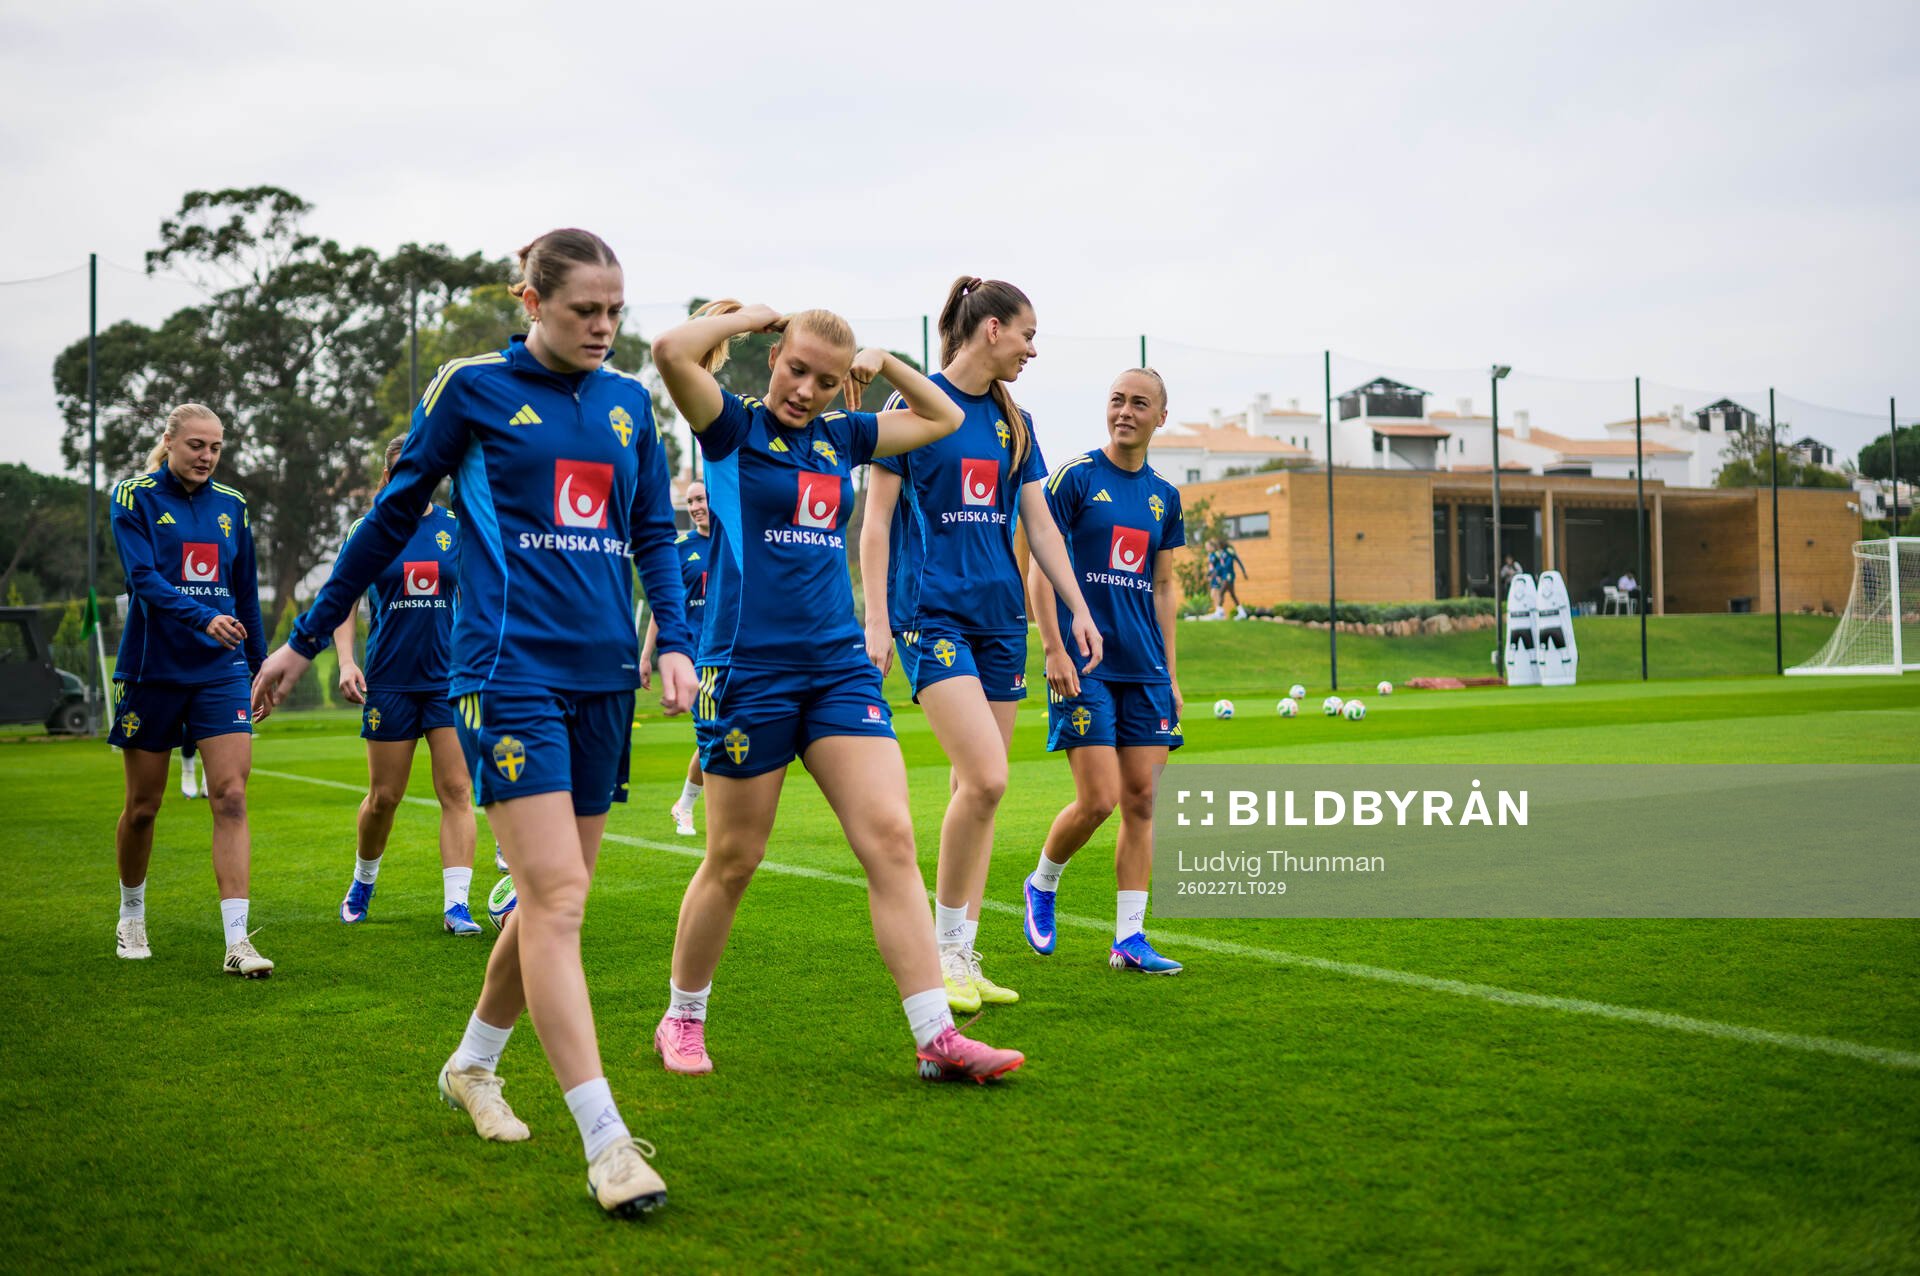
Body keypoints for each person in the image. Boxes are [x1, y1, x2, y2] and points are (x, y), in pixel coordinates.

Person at [253, 228, 695, 1218]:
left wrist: (673, 635)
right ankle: (609, 1142)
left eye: (616, 309)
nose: (604, 326)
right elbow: (386, 521)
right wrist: (304, 638)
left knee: (557, 897)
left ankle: (472, 1064)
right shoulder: (472, 389)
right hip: (501, 676)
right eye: (585, 308)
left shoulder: (629, 404)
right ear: (529, 299)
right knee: (555, 902)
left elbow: (653, 532)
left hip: (600, 682)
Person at [647, 298, 1024, 1084]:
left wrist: (881, 363)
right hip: (746, 671)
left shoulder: (841, 436)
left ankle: (935, 1036)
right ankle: (681, 1017)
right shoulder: (731, 427)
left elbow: (944, 416)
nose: (807, 391)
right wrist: (747, 318)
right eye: (795, 370)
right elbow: (672, 350)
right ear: (773, 357)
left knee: (890, 839)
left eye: (823, 380)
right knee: (735, 857)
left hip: (838, 668)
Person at [859, 275, 1100, 1014]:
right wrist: (874, 618)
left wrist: (1076, 606)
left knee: (981, 793)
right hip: (932, 617)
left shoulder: (1015, 421)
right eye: (1027, 333)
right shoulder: (911, 406)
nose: (1032, 349)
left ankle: (959, 953)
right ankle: (943, 951)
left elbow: (1042, 525)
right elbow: (875, 522)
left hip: (1001, 621)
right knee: (988, 777)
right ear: (990, 328)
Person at [1023, 369, 1187, 974]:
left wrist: (1170, 672)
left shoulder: (1164, 497)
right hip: (1082, 659)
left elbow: (1164, 586)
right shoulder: (1075, 477)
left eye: (1139, 403)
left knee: (1140, 800)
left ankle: (1129, 939)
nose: (1125, 411)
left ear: (1159, 417)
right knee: (1097, 800)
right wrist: (1053, 647)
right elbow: (1041, 562)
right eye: (1117, 400)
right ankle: (1042, 883)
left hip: (1143, 666)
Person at [108, 403, 272, 976]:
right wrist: (201, 616)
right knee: (145, 808)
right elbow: (142, 579)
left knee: (230, 796)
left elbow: (245, 593)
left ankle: (237, 942)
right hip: (153, 670)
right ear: (170, 442)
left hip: (221, 671)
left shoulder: (234, 507)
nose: (206, 456)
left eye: (216, 447)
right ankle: (132, 913)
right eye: (197, 445)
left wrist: (260, 667)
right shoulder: (134, 496)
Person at [332, 434, 479, 934]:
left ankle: (456, 906)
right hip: (389, 682)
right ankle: (363, 880)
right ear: (391, 473)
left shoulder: (456, 528)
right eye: (408, 469)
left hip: (449, 681)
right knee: (384, 798)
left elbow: (485, 593)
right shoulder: (369, 530)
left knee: (458, 791)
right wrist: (348, 661)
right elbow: (343, 601)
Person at [641, 479, 712, 837]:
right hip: (696, 659)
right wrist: (646, 654)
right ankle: (689, 807)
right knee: (711, 735)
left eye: (701, 498)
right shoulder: (681, 548)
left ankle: (686, 804)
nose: (697, 506)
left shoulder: (736, 540)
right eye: (690, 501)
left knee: (728, 733)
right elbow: (662, 608)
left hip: (736, 655)